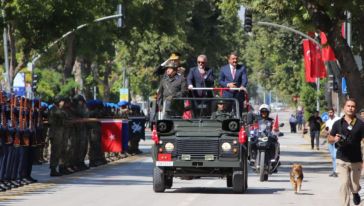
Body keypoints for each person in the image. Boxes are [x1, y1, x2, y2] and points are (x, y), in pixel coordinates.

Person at [328, 98, 364, 206]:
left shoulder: (361, 125)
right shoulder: (337, 124)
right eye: (348, 106)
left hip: (356, 159)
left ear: (355, 109)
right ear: (344, 108)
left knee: (354, 185)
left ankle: (355, 192)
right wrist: (334, 139)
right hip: (341, 158)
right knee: (344, 184)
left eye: (352, 106)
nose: (350, 108)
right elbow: (330, 138)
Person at [324, 108, 341, 177]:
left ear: (334, 112)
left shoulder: (338, 119)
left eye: (331, 112)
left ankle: (336, 171)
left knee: (335, 155)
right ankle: (334, 170)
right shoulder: (327, 121)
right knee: (333, 156)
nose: (330, 114)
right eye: (329, 113)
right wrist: (326, 131)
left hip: (336, 139)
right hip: (329, 139)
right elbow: (326, 129)